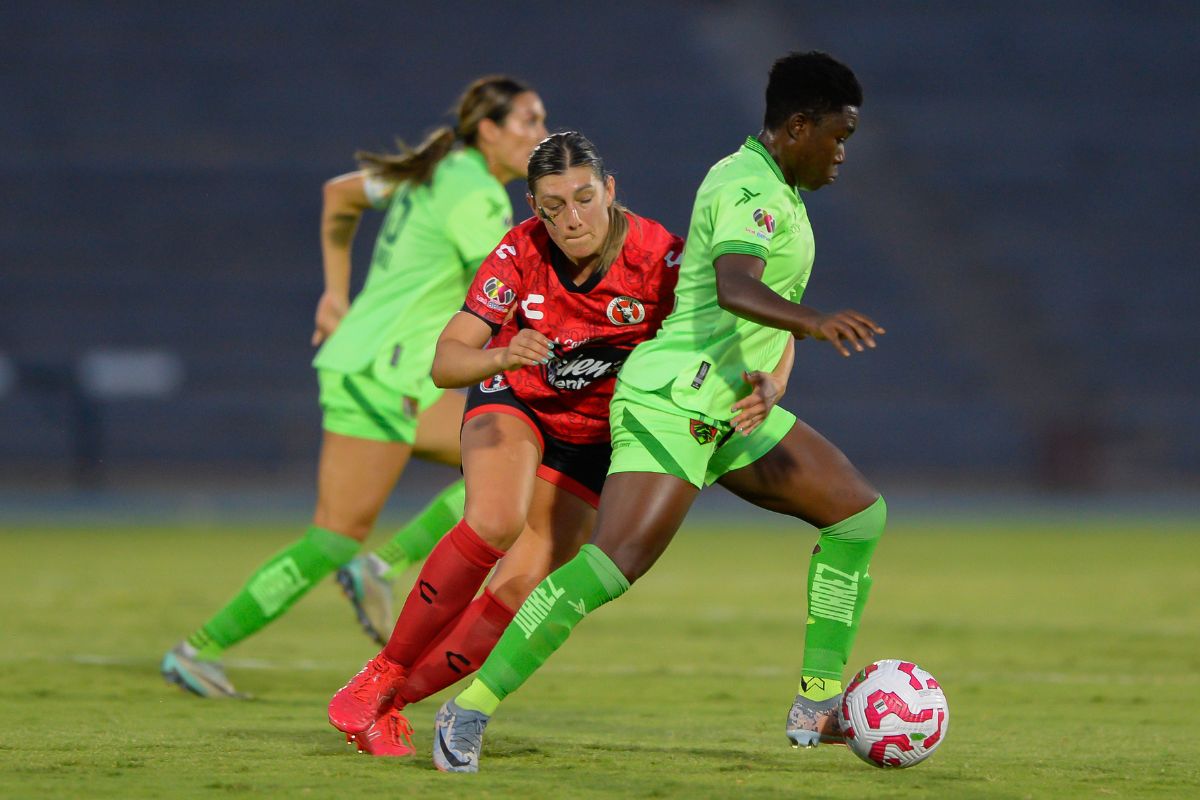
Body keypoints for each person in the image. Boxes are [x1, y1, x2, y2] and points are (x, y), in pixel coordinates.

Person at [430, 51, 887, 773]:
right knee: (613, 567)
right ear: (798, 126)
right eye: (837, 135)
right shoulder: (746, 187)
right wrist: (815, 321)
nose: (840, 153)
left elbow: (750, 322)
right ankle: (469, 709)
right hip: (674, 397)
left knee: (858, 515)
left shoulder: (780, 192)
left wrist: (773, 377)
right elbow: (736, 287)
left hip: (733, 402)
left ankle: (820, 700)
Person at [326, 131, 788, 758]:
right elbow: (445, 362)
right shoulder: (519, 252)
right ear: (533, 206)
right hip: (516, 402)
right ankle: (382, 668)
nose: (572, 219)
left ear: (610, 190)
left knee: (521, 592)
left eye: (584, 198)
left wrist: (776, 381)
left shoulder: (663, 260)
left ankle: (389, 704)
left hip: (594, 439)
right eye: (553, 206)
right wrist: (501, 351)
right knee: (494, 520)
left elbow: (762, 311)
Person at [160, 76, 548, 698]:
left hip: (387, 368)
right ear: (490, 131)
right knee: (333, 535)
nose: (539, 135)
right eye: (528, 122)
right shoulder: (476, 195)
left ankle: (379, 566)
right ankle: (197, 649)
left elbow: (339, 195)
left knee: (511, 463)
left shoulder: (436, 169)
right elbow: (515, 294)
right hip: (381, 374)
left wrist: (336, 293)